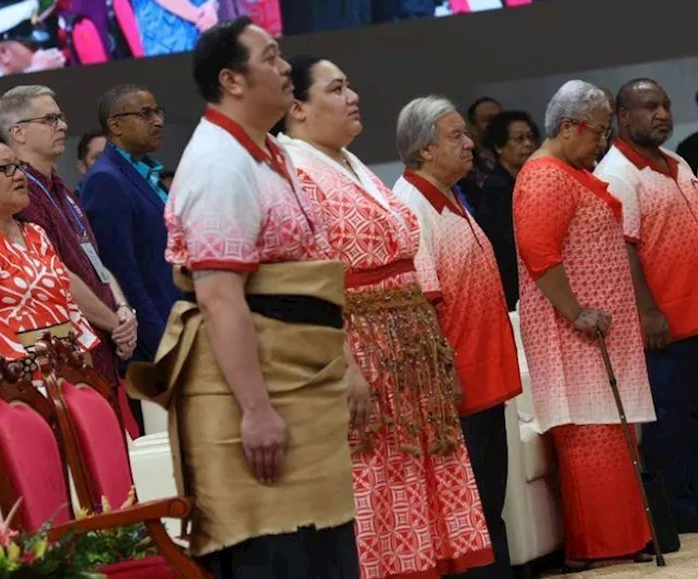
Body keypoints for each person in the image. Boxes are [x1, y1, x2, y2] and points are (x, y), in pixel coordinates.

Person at [127, 19, 360, 578]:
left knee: (325, 551)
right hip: (249, 394)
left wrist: (344, 361)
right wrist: (255, 409)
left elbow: (307, 280)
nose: (285, 69)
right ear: (232, 80)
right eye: (272, 56)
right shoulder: (218, 163)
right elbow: (221, 298)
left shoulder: (270, 154)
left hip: (301, 377)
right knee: (275, 556)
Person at [274, 56, 493, 579]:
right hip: (360, 347)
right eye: (336, 88)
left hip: (407, 344)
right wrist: (342, 362)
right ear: (297, 107)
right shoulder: (291, 170)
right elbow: (303, 278)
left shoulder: (351, 163)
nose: (353, 97)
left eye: (351, 85)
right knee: (379, 481)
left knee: (425, 475)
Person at [595, 78, 698, 532]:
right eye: (650, 107)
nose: (662, 115)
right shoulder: (615, 172)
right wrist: (647, 311)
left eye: (666, 106)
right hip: (664, 324)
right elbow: (623, 249)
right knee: (671, 425)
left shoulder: (676, 162)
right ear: (622, 117)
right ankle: (681, 511)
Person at [512, 79, 654, 571]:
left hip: (597, 335)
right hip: (572, 334)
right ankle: (601, 546)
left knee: (612, 438)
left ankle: (624, 538)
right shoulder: (545, 176)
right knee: (592, 440)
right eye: (598, 132)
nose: (603, 142)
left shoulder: (566, 170)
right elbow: (539, 254)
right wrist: (575, 311)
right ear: (569, 127)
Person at [392, 95, 524, 578]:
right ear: (425, 150)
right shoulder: (409, 206)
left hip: (482, 373)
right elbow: (421, 305)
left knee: (491, 494)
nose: (470, 144)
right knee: (473, 502)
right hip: (456, 384)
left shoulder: (450, 195)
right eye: (456, 137)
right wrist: (446, 373)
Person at [0, 133, 102, 493]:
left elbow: (67, 303)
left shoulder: (35, 234)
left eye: (19, 166)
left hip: (66, 377)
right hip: (15, 391)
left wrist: (81, 362)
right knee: (42, 492)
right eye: (5, 168)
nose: (19, 175)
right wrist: (35, 373)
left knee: (89, 485)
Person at [0, 85, 138, 428]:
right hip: (73, 354)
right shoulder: (23, 194)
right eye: (50, 119)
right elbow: (55, 274)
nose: (62, 125)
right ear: (18, 131)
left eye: (60, 117)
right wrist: (114, 321)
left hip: (105, 341)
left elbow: (94, 262)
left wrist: (122, 309)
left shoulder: (63, 188)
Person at [80, 84, 179, 371]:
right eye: (145, 114)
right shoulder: (106, 180)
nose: (158, 120)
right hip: (156, 341)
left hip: (178, 323)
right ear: (116, 125)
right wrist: (161, 342)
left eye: (158, 112)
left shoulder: (145, 172)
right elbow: (122, 272)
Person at [472, 110, 539, 309]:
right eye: (518, 139)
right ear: (499, 146)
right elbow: (505, 244)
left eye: (530, 138)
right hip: (511, 283)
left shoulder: (528, 179)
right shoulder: (497, 188)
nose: (527, 144)